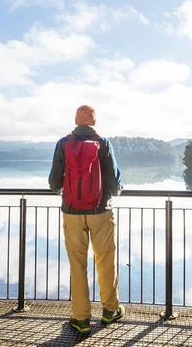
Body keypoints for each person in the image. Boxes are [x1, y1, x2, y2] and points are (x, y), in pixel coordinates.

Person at [49, 105, 124, 334]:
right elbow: (113, 180)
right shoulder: (103, 143)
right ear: (94, 122)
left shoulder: (63, 143)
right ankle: (110, 310)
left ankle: (81, 319)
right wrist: (116, 191)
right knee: (105, 260)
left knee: (77, 264)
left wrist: (64, 191)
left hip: (72, 212)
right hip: (100, 211)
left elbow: (54, 181)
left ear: (75, 120)